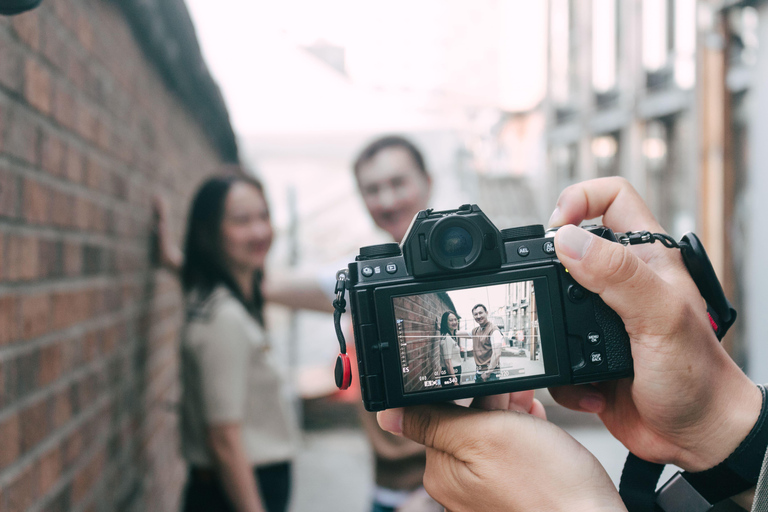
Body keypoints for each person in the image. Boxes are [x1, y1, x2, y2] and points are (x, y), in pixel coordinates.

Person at [376, 177, 766, 511]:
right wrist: (715, 428)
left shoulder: (491, 328)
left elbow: (492, 349)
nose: (477, 317)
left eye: (480, 313)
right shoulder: (470, 329)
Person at [161, 176, 299, 512]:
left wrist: (168, 256)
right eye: (241, 220)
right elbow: (223, 439)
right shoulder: (224, 317)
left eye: (263, 216)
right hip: (236, 492)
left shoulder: (228, 298)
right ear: (209, 231)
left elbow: (195, 273)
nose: (259, 231)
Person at [470, 304, 503, 383]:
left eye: (480, 313)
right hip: (479, 373)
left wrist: (488, 373)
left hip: (491, 374)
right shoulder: (476, 330)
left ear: (487, 313)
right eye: (475, 314)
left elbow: (497, 353)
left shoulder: (494, 330)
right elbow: (458, 333)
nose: (478, 316)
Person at [438, 311, 468, 386]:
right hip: (451, 374)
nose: (454, 322)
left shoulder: (451, 336)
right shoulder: (447, 338)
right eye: (451, 320)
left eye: (455, 319)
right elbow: (447, 362)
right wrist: (454, 381)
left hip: (454, 371)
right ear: (445, 322)